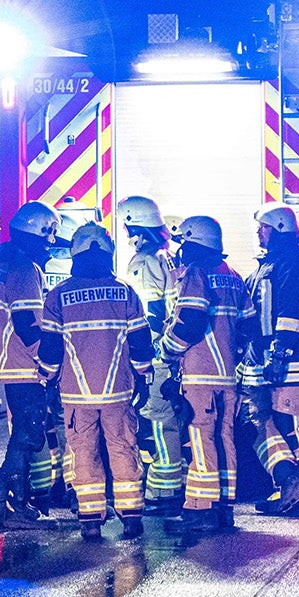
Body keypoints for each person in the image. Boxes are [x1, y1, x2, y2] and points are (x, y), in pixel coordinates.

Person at [38, 223, 155, 541]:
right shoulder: (125, 292)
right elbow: (141, 343)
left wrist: (47, 380)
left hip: (76, 395)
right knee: (122, 448)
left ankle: (90, 519)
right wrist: (144, 377)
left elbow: (50, 349)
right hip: (118, 392)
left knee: (83, 452)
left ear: (75, 255)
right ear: (108, 254)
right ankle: (131, 516)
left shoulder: (58, 296)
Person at [159, 216, 249, 535]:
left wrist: (167, 350)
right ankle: (224, 507)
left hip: (199, 373)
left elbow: (190, 322)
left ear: (194, 243)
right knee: (225, 438)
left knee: (200, 438)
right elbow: (248, 327)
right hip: (228, 376)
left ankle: (200, 508)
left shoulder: (197, 273)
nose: (181, 250)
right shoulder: (234, 276)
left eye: (184, 243)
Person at [237, 203, 299, 516]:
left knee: (289, 422)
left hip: (293, 361)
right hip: (263, 361)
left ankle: (294, 490)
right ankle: (285, 480)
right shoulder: (266, 266)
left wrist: (281, 351)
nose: (259, 233)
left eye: (263, 227)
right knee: (257, 420)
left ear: (279, 228)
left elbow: (294, 310)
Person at [0, 201, 62, 530]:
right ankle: (7, 508)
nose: (48, 247)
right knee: (27, 435)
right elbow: (28, 323)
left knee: (25, 432)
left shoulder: (3, 260)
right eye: (47, 240)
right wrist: (47, 363)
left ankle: (15, 503)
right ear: (35, 235)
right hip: (24, 364)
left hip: (9, 362)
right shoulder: (24, 268)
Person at [116, 195, 184, 519]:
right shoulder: (166, 257)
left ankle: (164, 489)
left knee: (157, 421)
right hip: (171, 352)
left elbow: (146, 315)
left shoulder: (143, 263)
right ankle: (167, 485)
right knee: (167, 419)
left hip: (155, 354)